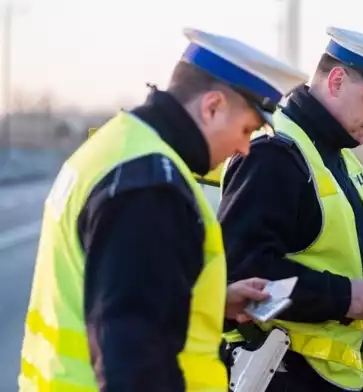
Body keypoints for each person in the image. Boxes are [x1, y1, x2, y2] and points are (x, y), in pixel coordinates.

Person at [17, 27, 308, 392]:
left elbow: (113, 295)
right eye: (247, 129)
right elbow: (134, 358)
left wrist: (209, 300)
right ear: (212, 106)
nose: (244, 148)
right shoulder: (151, 186)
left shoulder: (119, 146)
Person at [217, 26, 363, 391]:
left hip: (325, 378)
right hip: (279, 374)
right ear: (337, 81)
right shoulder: (274, 154)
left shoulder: (338, 157)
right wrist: (341, 297)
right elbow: (241, 272)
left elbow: (325, 248)